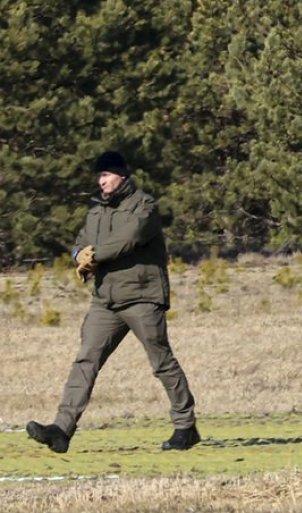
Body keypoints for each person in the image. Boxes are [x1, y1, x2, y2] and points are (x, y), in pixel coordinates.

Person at [26, 151, 199, 454]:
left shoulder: (144, 206)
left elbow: (129, 238)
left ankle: (186, 426)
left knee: (161, 362)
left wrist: (94, 256)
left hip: (142, 297)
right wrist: (78, 255)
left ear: (121, 175)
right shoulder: (96, 211)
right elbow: (81, 241)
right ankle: (62, 430)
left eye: (105, 175)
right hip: (105, 299)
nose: (100, 181)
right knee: (85, 361)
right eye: (98, 177)